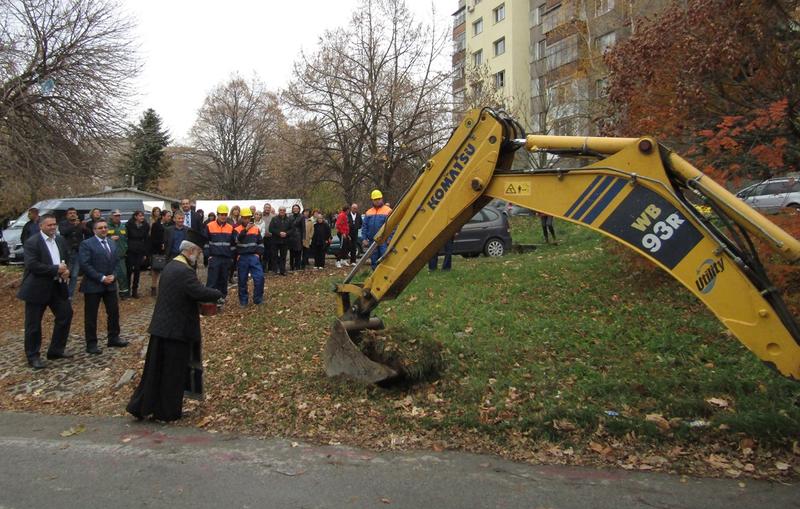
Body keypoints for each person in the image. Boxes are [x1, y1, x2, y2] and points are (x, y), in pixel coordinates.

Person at [127, 232, 222, 422]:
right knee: (173, 371)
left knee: (155, 370)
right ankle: (166, 411)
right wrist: (218, 292)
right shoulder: (184, 271)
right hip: (175, 330)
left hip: (163, 327)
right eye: (199, 253)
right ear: (192, 251)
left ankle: (144, 405)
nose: (199, 257)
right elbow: (198, 291)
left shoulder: (172, 265)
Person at [16, 213, 73, 369]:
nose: (53, 227)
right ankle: (33, 356)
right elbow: (32, 265)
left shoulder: (60, 240)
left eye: (54, 224)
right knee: (33, 325)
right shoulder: (32, 242)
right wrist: (56, 269)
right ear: (41, 226)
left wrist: (67, 270)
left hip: (57, 286)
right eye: (49, 225)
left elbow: (66, 259)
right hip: (37, 288)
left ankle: (56, 349)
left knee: (65, 314)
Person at [79, 218, 128, 354]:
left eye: (105, 227)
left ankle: (113, 337)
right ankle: (91, 343)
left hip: (110, 284)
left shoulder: (112, 243)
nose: (104, 230)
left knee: (113, 312)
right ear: (94, 230)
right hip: (93, 285)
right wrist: (101, 278)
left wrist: (113, 275)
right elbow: (85, 264)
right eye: (100, 228)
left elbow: (116, 261)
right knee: (91, 316)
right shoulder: (87, 244)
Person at [233, 208, 264, 306]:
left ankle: (258, 299)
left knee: (260, 278)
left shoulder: (256, 229)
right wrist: (245, 230)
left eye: (248, 218)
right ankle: (243, 301)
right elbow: (236, 240)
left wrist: (258, 254)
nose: (247, 220)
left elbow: (261, 243)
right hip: (242, 257)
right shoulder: (237, 230)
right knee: (242, 280)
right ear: (241, 218)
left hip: (253, 257)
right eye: (245, 218)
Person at [205, 204, 235, 301]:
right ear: (217, 215)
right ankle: (209, 300)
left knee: (223, 280)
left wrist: (231, 257)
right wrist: (208, 256)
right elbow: (205, 242)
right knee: (212, 280)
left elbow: (233, 244)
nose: (223, 216)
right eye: (221, 214)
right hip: (214, 257)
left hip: (226, 258)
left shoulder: (230, 227)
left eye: (225, 214)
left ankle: (222, 298)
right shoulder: (209, 226)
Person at [362, 189, 392, 269]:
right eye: (375, 200)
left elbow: (393, 226)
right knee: (374, 259)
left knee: (384, 258)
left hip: (384, 240)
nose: (377, 201)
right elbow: (364, 226)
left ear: (382, 199)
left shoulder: (388, 211)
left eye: (379, 199)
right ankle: (374, 275)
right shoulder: (368, 212)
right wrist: (364, 238)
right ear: (372, 200)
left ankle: (384, 274)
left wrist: (390, 238)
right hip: (372, 241)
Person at [58, 207, 84, 299]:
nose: (72, 214)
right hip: (67, 253)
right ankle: (62, 293)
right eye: (70, 213)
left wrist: (82, 225)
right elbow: (63, 232)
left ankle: (70, 295)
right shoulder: (63, 224)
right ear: (67, 215)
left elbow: (86, 233)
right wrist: (74, 225)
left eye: (74, 213)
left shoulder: (79, 223)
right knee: (65, 273)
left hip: (77, 252)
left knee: (74, 275)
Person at [126, 210, 149, 298]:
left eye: (142, 216)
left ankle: (134, 290)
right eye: (140, 216)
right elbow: (128, 236)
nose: (142, 217)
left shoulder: (146, 225)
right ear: (135, 216)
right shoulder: (129, 224)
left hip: (140, 249)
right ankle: (127, 289)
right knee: (129, 270)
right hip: (130, 249)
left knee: (137, 270)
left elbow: (146, 238)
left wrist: (145, 253)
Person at [107, 210, 130, 299]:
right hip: (109, 256)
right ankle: (108, 294)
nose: (117, 217)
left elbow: (126, 238)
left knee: (123, 274)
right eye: (115, 216)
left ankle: (123, 293)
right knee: (109, 275)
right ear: (111, 217)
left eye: (119, 216)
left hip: (121, 255)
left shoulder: (123, 226)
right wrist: (109, 238)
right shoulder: (106, 226)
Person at [268, 206, 292, 276]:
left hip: (285, 241)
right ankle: (275, 270)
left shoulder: (289, 219)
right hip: (275, 240)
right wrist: (279, 233)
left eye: (283, 210)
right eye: (281, 210)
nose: (282, 211)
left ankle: (282, 270)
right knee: (274, 256)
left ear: (285, 211)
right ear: (278, 211)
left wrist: (286, 233)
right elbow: (270, 229)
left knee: (283, 256)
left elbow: (292, 229)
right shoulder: (274, 218)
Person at [149, 207, 165, 296]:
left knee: (165, 270)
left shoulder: (170, 224)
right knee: (156, 269)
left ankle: (163, 286)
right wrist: (160, 244)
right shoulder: (156, 224)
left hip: (167, 250)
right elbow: (153, 238)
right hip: (157, 249)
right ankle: (153, 286)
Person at [288, 204, 304, 271]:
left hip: (298, 236)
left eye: (297, 208)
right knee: (291, 253)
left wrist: (303, 238)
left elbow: (303, 228)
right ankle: (291, 266)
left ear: (299, 209)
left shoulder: (301, 217)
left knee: (298, 252)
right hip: (291, 236)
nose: (295, 209)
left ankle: (297, 266)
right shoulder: (290, 217)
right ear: (292, 209)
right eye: (294, 208)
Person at [261, 203, 276, 272]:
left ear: (270, 209)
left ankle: (270, 268)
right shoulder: (260, 215)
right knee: (263, 253)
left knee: (271, 253)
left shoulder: (273, 216)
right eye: (266, 207)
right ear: (264, 208)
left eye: (268, 208)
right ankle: (263, 268)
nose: (267, 209)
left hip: (271, 237)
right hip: (262, 237)